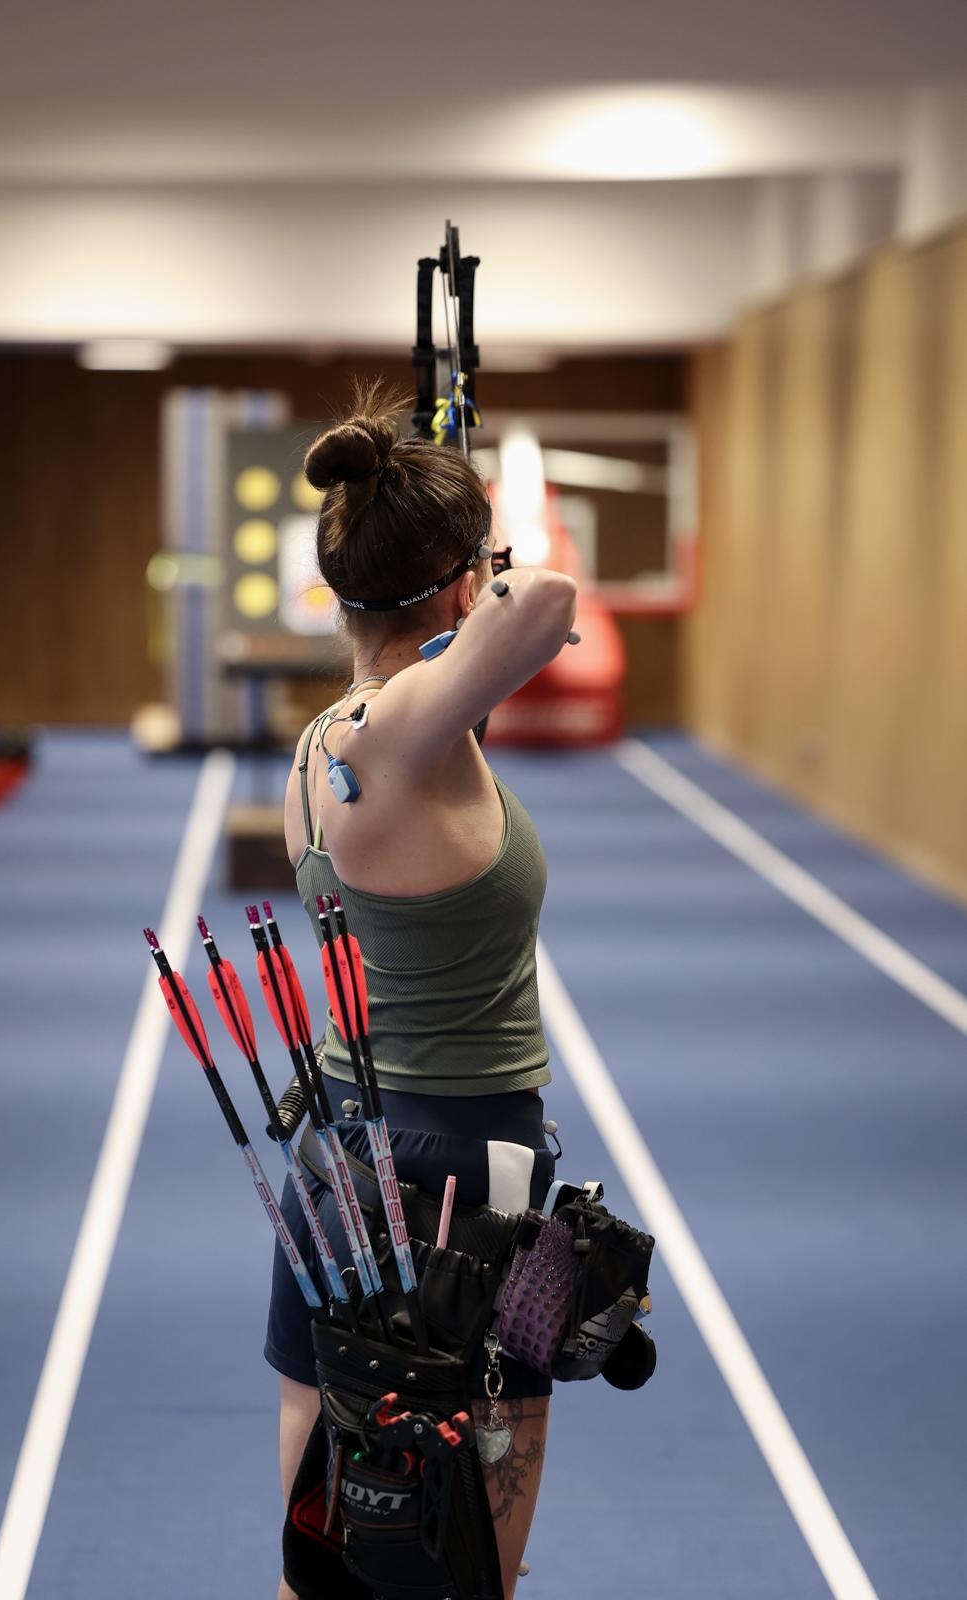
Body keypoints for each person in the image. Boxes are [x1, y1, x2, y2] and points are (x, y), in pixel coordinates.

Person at [267, 382, 578, 1600]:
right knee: (474, 1553)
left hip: (340, 1147)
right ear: (454, 585)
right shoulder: (394, 737)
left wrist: (446, 552)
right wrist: (486, 561)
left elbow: (466, 655)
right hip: (465, 1160)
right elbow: (544, 604)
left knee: (325, 1526)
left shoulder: (331, 736)